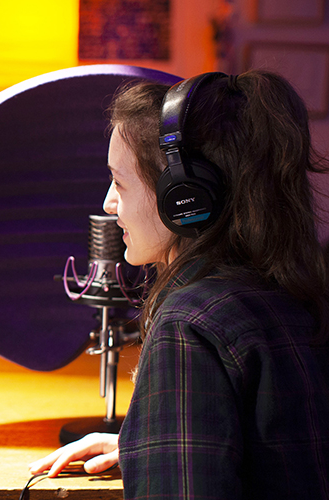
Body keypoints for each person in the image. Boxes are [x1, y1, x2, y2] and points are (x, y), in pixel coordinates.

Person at [29, 70, 329, 498]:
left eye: (119, 182)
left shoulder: (190, 325)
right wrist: (147, 441)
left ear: (184, 197)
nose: (108, 203)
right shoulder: (295, 295)